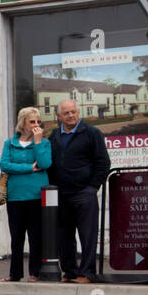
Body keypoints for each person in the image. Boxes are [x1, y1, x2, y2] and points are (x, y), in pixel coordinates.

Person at [47, 98, 110, 283]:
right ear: (59, 116)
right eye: (66, 113)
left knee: (88, 236)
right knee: (64, 236)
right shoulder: (54, 136)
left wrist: (92, 188)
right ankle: (70, 272)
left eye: (73, 111)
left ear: (78, 112)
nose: (70, 115)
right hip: (61, 194)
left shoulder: (92, 133)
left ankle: (87, 273)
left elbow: (103, 163)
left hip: (84, 193)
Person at [0, 107, 51, 282]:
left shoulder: (44, 143)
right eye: (32, 122)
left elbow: (44, 163)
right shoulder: (10, 143)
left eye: (38, 122)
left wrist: (37, 142)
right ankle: (15, 273)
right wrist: (28, 168)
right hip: (15, 197)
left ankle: (35, 272)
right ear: (23, 123)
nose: (36, 125)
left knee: (36, 236)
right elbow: (5, 165)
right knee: (17, 237)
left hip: (36, 196)